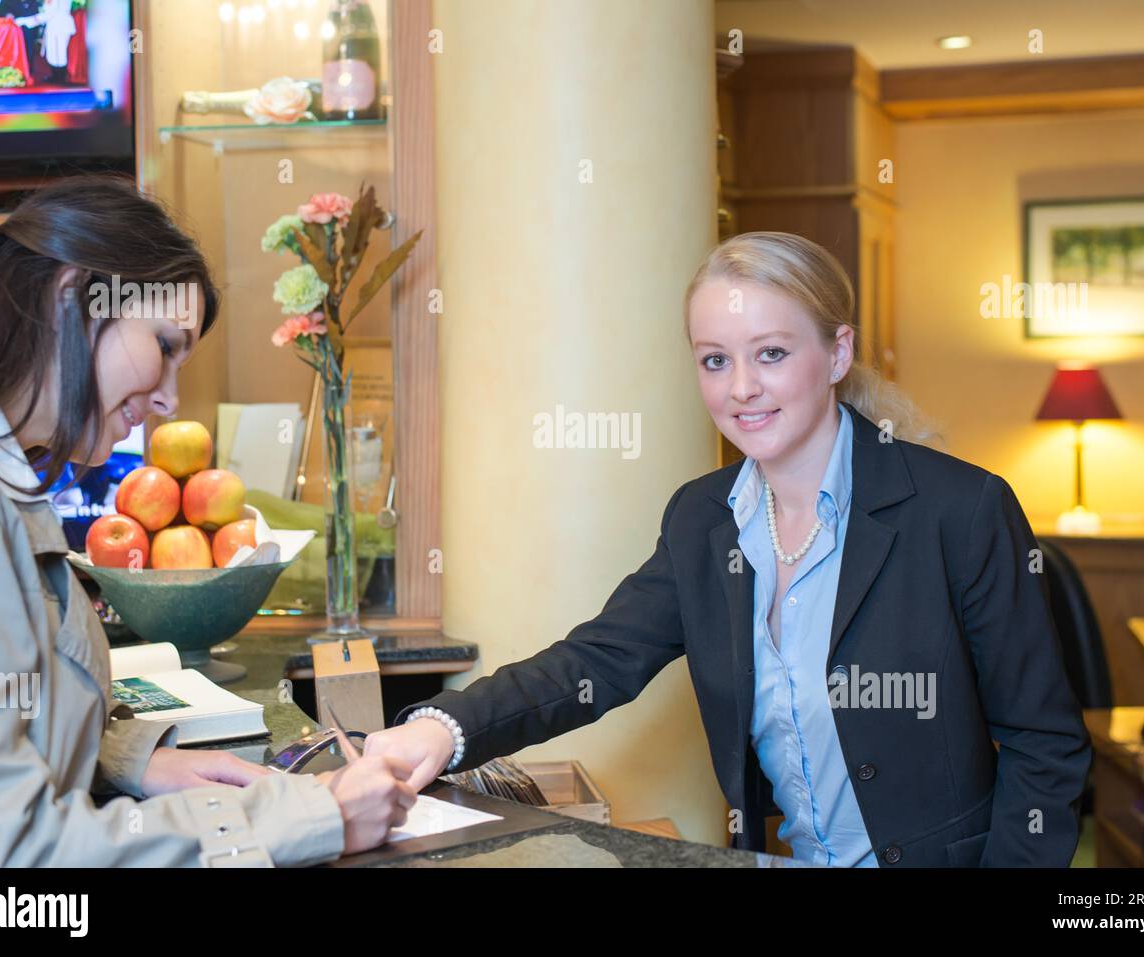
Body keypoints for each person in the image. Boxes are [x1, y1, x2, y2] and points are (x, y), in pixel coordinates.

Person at [363, 231, 1092, 867]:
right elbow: (592, 661)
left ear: (837, 352)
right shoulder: (702, 519)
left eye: (771, 353)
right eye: (715, 360)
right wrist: (444, 725)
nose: (742, 388)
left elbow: (1045, 745)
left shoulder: (961, 510)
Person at [0, 175, 415, 866]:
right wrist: (313, 811)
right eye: (164, 345)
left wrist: (127, 755)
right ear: (72, 299)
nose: (169, 398)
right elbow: (0, 852)